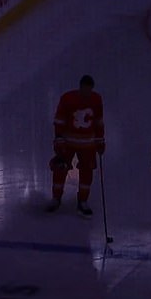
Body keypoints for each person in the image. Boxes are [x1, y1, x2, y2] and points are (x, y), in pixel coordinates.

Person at [47, 75, 105, 217]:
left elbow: (98, 121)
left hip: (88, 144)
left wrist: (100, 140)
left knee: (87, 172)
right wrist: (59, 138)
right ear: (80, 86)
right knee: (60, 169)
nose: (87, 92)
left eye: (89, 90)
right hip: (68, 141)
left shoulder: (96, 99)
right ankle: (56, 198)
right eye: (85, 89)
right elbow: (59, 119)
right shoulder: (68, 98)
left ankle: (83, 201)